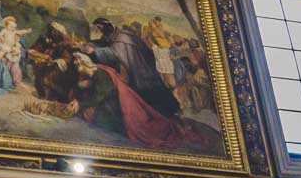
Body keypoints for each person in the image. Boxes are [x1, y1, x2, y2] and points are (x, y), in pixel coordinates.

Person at [67, 53, 203, 149]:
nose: (77, 65)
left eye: (78, 63)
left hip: (117, 108)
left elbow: (100, 95)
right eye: (76, 63)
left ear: (84, 63)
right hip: (110, 104)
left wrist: (81, 103)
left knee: (95, 119)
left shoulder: (100, 74)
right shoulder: (96, 71)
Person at [85, 17, 180, 117]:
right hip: (137, 69)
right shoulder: (114, 35)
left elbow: (115, 53)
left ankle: (167, 113)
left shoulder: (122, 38)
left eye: (100, 28)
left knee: (150, 94)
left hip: (140, 71)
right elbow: (104, 42)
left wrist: (95, 51)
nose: (100, 31)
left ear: (106, 27)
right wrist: (91, 44)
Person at [27, 21, 80, 103]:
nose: (52, 32)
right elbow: (37, 48)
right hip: (44, 62)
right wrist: (33, 51)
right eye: (51, 30)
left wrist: (56, 61)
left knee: (51, 77)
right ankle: (42, 94)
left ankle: (54, 96)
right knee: (38, 69)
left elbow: (67, 58)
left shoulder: (64, 44)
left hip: (57, 66)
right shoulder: (44, 39)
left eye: (54, 31)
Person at [0, 16, 27, 93]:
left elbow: (20, 32)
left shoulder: (14, 32)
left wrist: (26, 31)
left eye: (14, 27)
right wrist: (3, 40)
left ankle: (17, 82)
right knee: (3, 51)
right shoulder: (4, 31)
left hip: (12, 49)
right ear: (6, 26)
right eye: (11, 26)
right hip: (5, 46)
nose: (13, 28)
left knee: (16, 65)